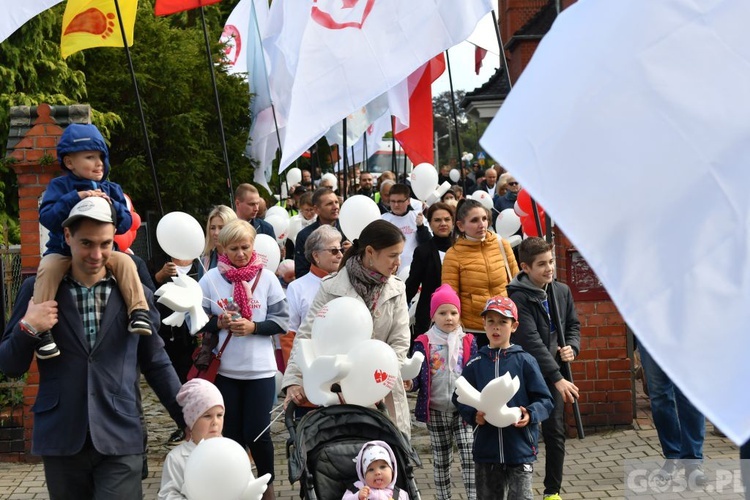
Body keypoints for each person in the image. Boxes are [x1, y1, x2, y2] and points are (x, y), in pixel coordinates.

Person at [0, 196, 185, 498]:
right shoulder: (37, 291)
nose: (96, 254)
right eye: (86, 243)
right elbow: (9, 364)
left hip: (120, 432)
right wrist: (29, 327)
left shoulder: (134, 292)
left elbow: (155, 361)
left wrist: (186, 417)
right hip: (61, 436)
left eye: (105, 244)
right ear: (68, 237)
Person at [284, 220, 411, 437]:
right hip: (339, 391)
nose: (398, 262)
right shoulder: (332, 286)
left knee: (386, 462)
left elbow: (399, 342)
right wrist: (294, 380)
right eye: (392, 255)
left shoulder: (397, 288)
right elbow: (308, 336)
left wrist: (382, 379)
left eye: (399, 255)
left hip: (381, 392)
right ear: (370, 252)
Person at [34, 123, 152, 360]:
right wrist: (75, 198)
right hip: (62, 251)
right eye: (90, 157)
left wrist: (111, 204)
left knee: (128, 263)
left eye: (101, 156)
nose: (99, 163)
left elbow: (126, 222)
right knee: (46, 270)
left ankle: (138, 312)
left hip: (104, 254)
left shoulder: (112, 188)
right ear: (69, 163)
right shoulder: (60, 186)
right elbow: (47, 217)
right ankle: (42, 331)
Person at [198, 219, 289, 500]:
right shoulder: (211, 278)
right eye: (234, 248)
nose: (240, 254)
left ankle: (268, 488)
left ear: (253, 245)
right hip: (226, 370)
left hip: (260, 370)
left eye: (245, 247)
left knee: (258, 432)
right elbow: (197, 320)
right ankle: (237, 485)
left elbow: (282, 321)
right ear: (222, 248)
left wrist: (254, 328)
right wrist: (219, 322)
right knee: (233, 432)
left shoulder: (268, 278)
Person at [453, 295, 554, 500]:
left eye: (502, 322)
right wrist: (473, 415)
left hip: (520, 449)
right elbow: (459, 397)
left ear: (514, 326)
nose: (496, 328)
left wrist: (530, 413)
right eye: (491, 321)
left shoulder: (525, 361)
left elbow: (545, 400)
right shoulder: (476, 363)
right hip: (486, 451)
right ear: (484, 324)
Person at [507, 237, 581, 500]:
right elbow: (531, 341)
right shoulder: (517, 297)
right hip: (527, 373)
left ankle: (552, 491)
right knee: (525, 429)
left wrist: (572, 347)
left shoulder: (561, 291)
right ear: (525, 267)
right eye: (542, 264)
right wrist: (557, 378)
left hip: (555, 370)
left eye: (550, 262)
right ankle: (518, 487)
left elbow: (573, 325)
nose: (549, 268)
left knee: (555, 431)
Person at [409, 284, 477, 500]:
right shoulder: (424, 342)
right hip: (436, 409)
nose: (449, 317)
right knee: (442, 459)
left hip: (463, 409)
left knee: (469, 457)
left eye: (454, 312)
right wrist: (409, 384)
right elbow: (417, 375)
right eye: (442, 312)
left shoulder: (468, 341)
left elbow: (475, 373)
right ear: (432, 315)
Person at [442, 199, 519, 348]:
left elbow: (516, 282)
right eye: (474, 220)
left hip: (504, 324)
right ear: (460, 226)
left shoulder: (501, 244)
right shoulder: (453, 254)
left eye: (484, 219)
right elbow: (450, 297)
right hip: (473, 330)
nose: (481, 224)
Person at [151, 252, 204, 445]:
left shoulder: (201, 263)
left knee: (196, 378)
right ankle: (184, 424)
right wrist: (160, 276)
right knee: (176, 379)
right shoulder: (159, 261)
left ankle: (204, 422)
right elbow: (150, 291)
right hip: (169, 331)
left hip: (195, 331)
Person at [637, 342, 707, 485]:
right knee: (659, 396)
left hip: (687, 333)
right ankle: (672, 455)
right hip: (651, 333)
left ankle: (692, 461)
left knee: (689, 395)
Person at [282, 225, 343, 367]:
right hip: (310, 365)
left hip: (345, 366)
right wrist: (294, 377)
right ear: (316, 255)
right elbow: (288, 336)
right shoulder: (297, 287)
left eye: (341, 250)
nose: (340, 255)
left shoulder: (349, 283)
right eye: (334, 251)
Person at [158, 379, 225, 499]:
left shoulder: (230, 451)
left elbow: (242, 480)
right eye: (207, 416)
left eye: (219, 415)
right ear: (191, 420)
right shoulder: (176, 458)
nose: (215, 422)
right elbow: (167, 495)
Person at [405, 202, 455, 338]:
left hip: (459, 316)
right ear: (430, 223)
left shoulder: (462, 249)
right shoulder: (422, 251)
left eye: (447, 219)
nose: (443, 223)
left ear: (453, 222)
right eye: (437, 220)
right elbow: (412, 284)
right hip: (429, 317)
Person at [294, 187, 347, 278]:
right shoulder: (305, 236)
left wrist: (353, 252)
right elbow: (301, 272)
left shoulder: (347, 231)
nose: (335, 207)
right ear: (316, 209)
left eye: (336, 202)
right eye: (329, 204)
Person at [380, 183, 430, 272]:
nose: (396, 205)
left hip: (414, 267)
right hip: (391, 268)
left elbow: (428, 243)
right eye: (393, 201)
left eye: (399, 201)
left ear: (408, 201)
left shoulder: (417, 216)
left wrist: (421, 227)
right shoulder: (383, 219)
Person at [342, 441, 410, 500]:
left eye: (383, 467)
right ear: (363, 474)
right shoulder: (358, 487)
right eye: (371, 470)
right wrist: (357, 497)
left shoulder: (400, 494)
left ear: (392, 470)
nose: (377, 472)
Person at [201, 205, 238, 272]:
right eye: (212, 228)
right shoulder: (205, 262)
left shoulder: (242, 258)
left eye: (221, 228)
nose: (216, 233)